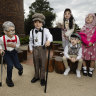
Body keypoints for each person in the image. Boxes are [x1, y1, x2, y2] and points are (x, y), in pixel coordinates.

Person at [29, 13, 53, 86]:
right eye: (35, 22)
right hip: (35, 49)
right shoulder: (32, 31)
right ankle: (36, 76)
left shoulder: (45, 30)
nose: (37, 24)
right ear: (34, 23)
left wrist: (48, 41)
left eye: (39, 22)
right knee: (36, 63)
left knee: (42, 64)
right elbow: (30, 41)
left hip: (42, 48)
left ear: (42, 23)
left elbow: (50, 36)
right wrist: (30, 48)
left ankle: (42, 78)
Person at [0, 21, 23, 87]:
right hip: (6, 53)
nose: (12, 32)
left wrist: (15, 46)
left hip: (13, 52)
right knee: (10, 65)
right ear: (5, 31)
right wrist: (1, 49)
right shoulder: (1, 39)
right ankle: (9, 79)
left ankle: (20, 68)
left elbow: (18, 45)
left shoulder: (16, 37)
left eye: (13, 30)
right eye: (10, 31)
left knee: (17, 65)